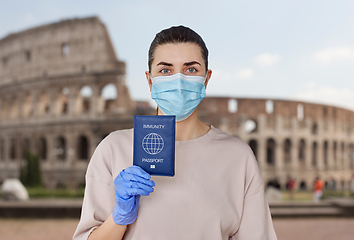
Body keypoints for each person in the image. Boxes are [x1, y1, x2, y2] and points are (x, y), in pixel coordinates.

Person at [73, 26, 278, 240]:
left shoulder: (238, 157)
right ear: (149, 80)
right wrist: (119, 217)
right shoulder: (114, 149)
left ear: (206, 78)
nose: (178, 81)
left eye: (190, 70)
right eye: (165, 70)